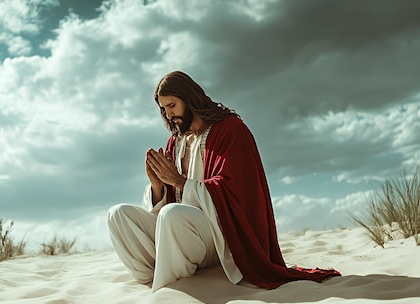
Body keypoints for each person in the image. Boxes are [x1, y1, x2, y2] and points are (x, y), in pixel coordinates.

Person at [108, 71, 340, 292]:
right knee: (118, 214)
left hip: (219, 237)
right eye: (163, 109)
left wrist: (180, 182)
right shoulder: (175, 142)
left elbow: (234, 190)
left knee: (172, 215)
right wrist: (158, 185)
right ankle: (152, 277)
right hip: (180, 234)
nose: (168, 115)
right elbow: (169, 199)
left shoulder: (230, 130)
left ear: (189, 99)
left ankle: (171, 290)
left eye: (172, 105)